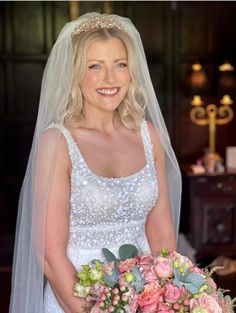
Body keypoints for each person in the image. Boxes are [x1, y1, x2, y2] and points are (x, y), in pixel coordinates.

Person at [9, 12, 181, 313]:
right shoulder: (58, 142)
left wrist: (164, 298)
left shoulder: (148, 135)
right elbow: (50, 256)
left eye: (120, 65)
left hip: (144, 299)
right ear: (76, 73)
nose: (110, 79)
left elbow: (162, 233)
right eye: (95, 67)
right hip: (76, 299)